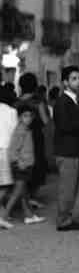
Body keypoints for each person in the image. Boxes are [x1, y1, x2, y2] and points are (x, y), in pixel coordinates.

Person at [53, 66, 79, 231]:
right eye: (73, 79)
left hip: (73, 150)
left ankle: (66, 217)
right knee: (67, 188)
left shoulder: (72, 100)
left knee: (71, 187)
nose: (78, 81)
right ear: (65, 82)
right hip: (67, 151)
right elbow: (64, 125)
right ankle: (63, 220)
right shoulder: (63, 101)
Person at [0, 103, 46, 226]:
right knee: (17, 193)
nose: (28, 118)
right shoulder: (20, 131)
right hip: (21, 167)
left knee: (24, 193)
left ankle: (29, 216)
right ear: (20, 117)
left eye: (30, 116)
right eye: (25, 116)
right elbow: (13, 150)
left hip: (25, 165)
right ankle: (3, 217)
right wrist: (19, 163)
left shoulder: (25, 129)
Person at [17, 72, 50, 208]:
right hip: (35, 137)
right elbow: (45, 120)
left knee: (24, 166)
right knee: (37, 165)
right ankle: (31, 196)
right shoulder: (37, 102)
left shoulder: (16, 102)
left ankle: (25, 196)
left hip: (20, 137)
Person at [0, 85, 18, 228]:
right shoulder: (11, 111)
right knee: (6, 184)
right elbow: (14, 132)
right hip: (5, 149)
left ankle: (3, 213)